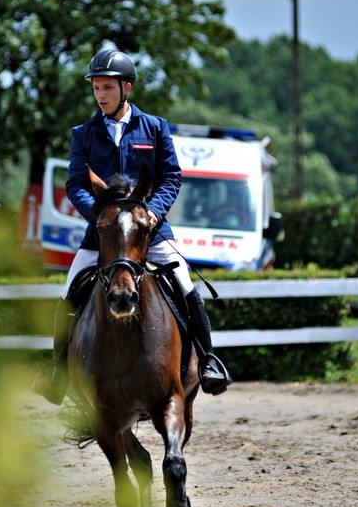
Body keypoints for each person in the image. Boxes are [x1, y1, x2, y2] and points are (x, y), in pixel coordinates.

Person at [32, 48, 231, 405]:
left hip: (149, 230)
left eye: (107, 87)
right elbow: (76, 181)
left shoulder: (154, 127)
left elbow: (171, 176)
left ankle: (209, 362)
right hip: (103, 232)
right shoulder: (84, 133)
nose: (100, 95)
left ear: (127, 88)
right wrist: (98, 214)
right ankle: (56, 371)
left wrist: (153, 212)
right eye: (96, 88)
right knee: (69, 289)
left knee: (186, 283)